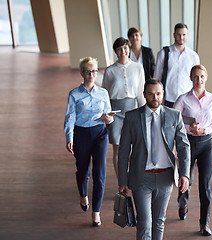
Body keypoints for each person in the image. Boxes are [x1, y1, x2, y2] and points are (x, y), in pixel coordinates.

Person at [118, 79, 190, 240]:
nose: (154, 97)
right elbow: (123, 151)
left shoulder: (174, 116)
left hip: (166, 177)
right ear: (144, 95)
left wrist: (184, 174)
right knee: (144, 222)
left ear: (163, 94)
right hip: (141, 176)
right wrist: (122, 179)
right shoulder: (132, 117)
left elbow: (183, 147)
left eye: (158, 93)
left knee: (159, 220)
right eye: (150, 94)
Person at [64, 57, 115, 227]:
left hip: (100, 134)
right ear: (82, 73)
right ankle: (83, 194)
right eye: (88, 71)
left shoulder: (103, 93)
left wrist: (108, 119)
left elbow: (108, 116)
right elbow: (70, 117)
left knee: (99, 175)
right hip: (81, 135)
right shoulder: (74, 94)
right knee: (83, 171)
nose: (91, 74)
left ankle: (96, 212)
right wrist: (69, 137)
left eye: (94, 71)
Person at [174, 65, 212, 236]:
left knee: (206, 185)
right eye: (195, 77)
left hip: (206, 144)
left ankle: (204, 223)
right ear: (191, 78)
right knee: (185, 179)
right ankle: (183, 203)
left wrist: (205, 130)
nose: (199, 80)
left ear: (206, 78)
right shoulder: (183, 99)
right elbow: (173, 120)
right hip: (187, 143)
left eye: (202, 76)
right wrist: (189, 127)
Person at [102, 37, 146, 177]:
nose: (123, 51)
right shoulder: (110, 71)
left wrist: (144, 112)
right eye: (119, 49)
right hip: (115, 112)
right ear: (116, 51)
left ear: (129, 49)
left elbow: (140, 92)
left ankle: (132, 177)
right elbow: (105, 94)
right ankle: (121, 180)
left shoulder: (138, 67)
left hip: (132, 110)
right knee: (118, 147)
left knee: (133, 147)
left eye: (125, 48)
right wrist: (106, 115)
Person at [153, 23, 200, 108]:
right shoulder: (163, 53)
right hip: (168, 99)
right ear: (174, 35)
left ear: (187, 35)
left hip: (188, 100)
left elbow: (197, 78)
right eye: (178, 35)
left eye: (184, 35)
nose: (181, 38)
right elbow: (157, 77)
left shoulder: (193, 56)